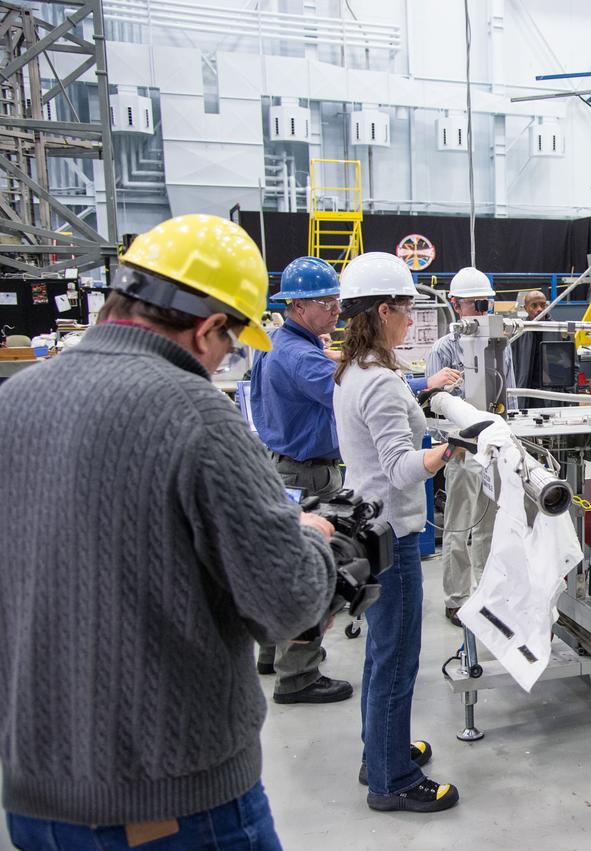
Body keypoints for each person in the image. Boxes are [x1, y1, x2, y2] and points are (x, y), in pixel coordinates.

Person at [0, 215, 337, 848]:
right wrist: (313, 540)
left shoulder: (15, 401)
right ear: (208, 328)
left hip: (34, 794)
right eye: (231, 342)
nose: (226, 359)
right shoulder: (196, 413)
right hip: (171, 801)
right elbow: (289, 603)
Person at [332, 251, 461, 814]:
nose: (412, 321)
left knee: (382, 653)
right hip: (394, 535)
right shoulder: (381, 384)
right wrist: (450, 449)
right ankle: (392, 779)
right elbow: (400, 467)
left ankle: (378, 751)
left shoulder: (353, 372)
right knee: (398, 658)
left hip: (368, 526)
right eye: (406, 310)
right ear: (384, 311)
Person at [250, 255, 353, 704]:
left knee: (279, 566)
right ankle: (299, 677)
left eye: (335, 301)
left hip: (283, 466)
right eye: (325, 302)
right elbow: (351, 397)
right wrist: (420, 383)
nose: (335, 309)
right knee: (311, 573)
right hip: (310, 474)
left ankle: (272, 654)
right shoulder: (300, 356)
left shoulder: (276, 343)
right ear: (296, 306)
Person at [427, 266, 517, 626]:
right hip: (462, 452)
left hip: (492, 450)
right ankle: (456, 597)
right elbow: (434, 406)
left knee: (489, 528)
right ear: (455, 306)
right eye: (475, 304)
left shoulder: (499, 345)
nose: (482, 312)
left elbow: (507, 396)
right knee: (458, 526)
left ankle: (486, 592)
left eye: (486, 304)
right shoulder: (443, 349)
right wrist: (455, 445)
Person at [511, 289, 552, 410]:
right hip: (526, 394)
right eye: (534, 305)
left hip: (551, 395)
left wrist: (569, 393)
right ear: (525, 308)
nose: (539, 309)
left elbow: (572, 368)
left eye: (543, 305)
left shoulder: (560, 331)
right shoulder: (518, 334)